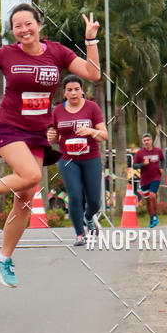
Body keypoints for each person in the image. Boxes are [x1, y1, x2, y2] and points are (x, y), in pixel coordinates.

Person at [0, 3, 100, 287]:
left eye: (28, 24)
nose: (24, 30)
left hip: (37, 132)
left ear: (39, 24)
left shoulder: (58, 52)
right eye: (17, 26)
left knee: (24, 200)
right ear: (13, 32)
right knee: (32, 176)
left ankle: (3, 259)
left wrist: (91, 40)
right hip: (8, 126)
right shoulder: (7, 54)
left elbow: (92, 73)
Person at [47, 75, 107, 246]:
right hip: (67, 159)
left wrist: (90, 131)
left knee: (94, 201)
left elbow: (104, 135)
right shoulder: (57, 111)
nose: (73, 93)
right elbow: (53, 136)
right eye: (69, 90)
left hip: (90, 158)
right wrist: (51, 137)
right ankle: (79, 234)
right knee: (74, 195)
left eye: (76, 89)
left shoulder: (92, 108)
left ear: (82, 91)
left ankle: (88, 217)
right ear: (64, 93)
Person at [133, 133, 164, 228]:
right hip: (144, 180)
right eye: (144, 141)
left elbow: (162, 160)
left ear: (151, 141)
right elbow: (134, 166)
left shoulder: (158, 151)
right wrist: (143, 164)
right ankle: (151, 218)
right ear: (143, 142)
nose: (146, 142)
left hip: (156, 177)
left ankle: (155, 216)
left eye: (148, 140)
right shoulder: (139, 153)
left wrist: (162, 167)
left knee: (152, 195)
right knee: (147, 201)